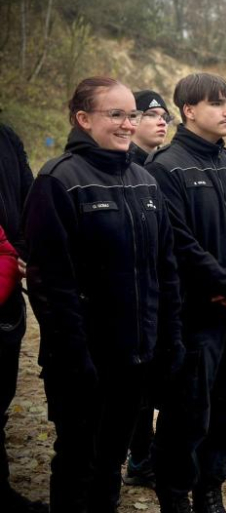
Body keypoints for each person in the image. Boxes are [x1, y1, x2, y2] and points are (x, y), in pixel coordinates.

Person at [23, 77, 183, 513]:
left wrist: (169, 342)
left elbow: (164, 270)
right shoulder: (58, 181)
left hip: (137, 359)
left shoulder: (144, 181)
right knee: (78, 465)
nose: (128, 124)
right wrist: (76, 359)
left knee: (110, 464)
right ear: (83, 119)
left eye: (132, 114)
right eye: (116, 114)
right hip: (84, 364)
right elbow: (50, 286)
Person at [145, 73, 226, 513]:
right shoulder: (165, 168)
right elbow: (178, 243)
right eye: (217, 103)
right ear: (189, 110)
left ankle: (210, 492)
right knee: (186, 417)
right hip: (194, 321)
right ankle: (176, 497)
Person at [124, 89, 174, 488]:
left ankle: (149, 452)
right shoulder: (123, 168)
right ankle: (139, 456)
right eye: (153, 114)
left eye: (165, 116)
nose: (162, 121)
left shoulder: (161, 167)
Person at [0, 121, 45, 513]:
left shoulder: (7, 137)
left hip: (8, 286)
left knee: (1, 393)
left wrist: (22, 252)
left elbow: (26, 198)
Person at [128, 90, 174, 166]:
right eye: (151, 115)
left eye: (165, 117)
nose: (162, 122)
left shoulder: (172, 165)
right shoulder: (119, 166)